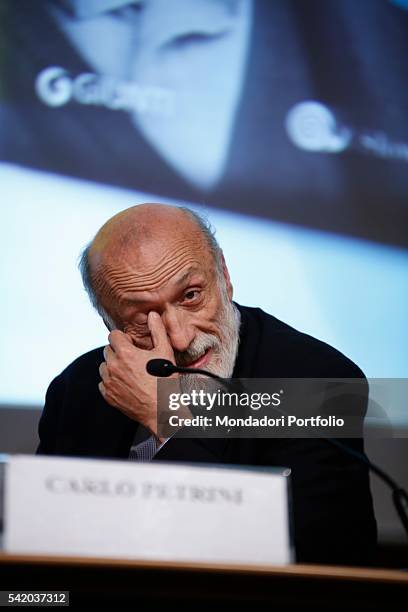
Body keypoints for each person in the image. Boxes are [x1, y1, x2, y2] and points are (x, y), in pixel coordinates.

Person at [37, 203, 377, 565]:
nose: (181, 340)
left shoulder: (318, 378)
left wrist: (165, 416)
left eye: (191, 296)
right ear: (110, 326)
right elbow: (47, 543)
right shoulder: (76, 390)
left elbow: (316, 556)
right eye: (141, 319)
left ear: (225, 277)